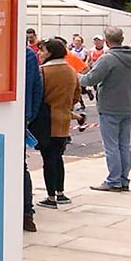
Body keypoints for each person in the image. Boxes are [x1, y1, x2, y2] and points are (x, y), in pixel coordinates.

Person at [80, 26, 131, 191]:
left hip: (109, 106)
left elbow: (90, 79)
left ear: (106, 41)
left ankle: (113, 180)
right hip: (127, 105)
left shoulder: (108, 59)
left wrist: (77, 76)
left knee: (111, 145)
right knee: (124, 144)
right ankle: (123, 179)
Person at [35, 39, 78, 209]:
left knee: (48, 158)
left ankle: (50, 196)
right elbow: (76, 96)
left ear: (50, 52)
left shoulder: (44, 72)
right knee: (58, 157)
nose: (40, 53)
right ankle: (61, 193)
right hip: (64, 118)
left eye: (43, 51)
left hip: (47, 120)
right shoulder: (71, 71)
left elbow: (38, 95)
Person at [22, 42, 43, 232]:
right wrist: (29, 115)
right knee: (22, 167)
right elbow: (38, 88)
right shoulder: (29, 54)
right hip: (22, 115)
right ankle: (27, 214)